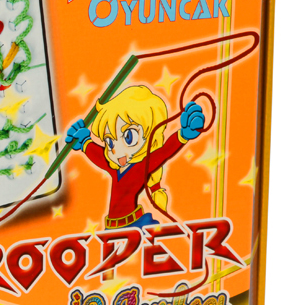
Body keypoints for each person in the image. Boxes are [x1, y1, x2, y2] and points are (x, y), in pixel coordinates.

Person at [65, 85, 204, 230]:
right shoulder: (115, 168)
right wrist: (84, 142)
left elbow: (163, 152)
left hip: (132, 227)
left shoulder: (140, 168)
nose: (116, 150)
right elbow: (99, 156)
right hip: (111, 229)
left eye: (128, 137)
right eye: (109, 142)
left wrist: (182, 135)